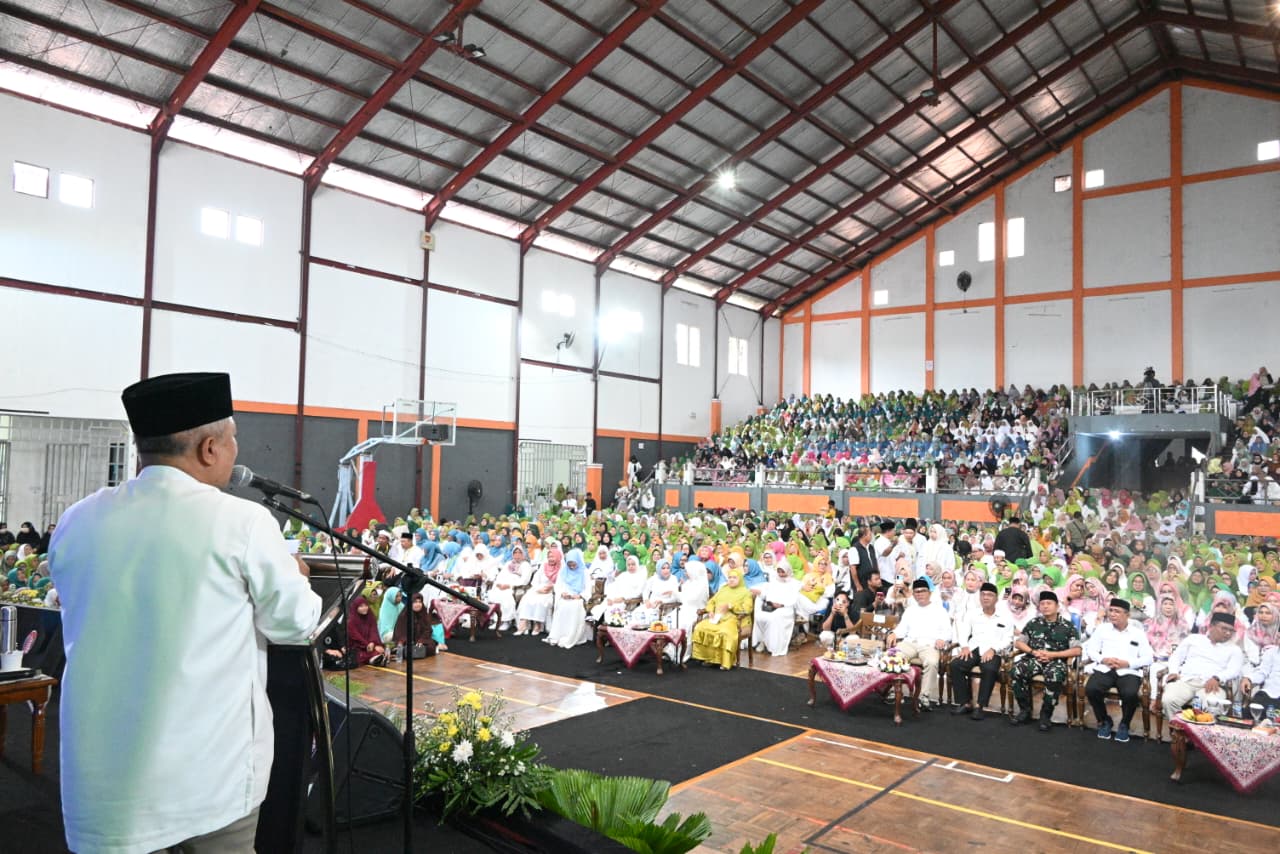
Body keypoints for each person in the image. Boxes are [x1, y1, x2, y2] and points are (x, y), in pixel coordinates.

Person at [48, 371, 321, 853]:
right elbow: (296, 625)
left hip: (105, 786)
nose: (237, 453)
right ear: (210, 449)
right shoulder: (241, 522)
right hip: (207, 785)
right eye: (233, 440)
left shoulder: (77, 520)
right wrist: (295, 575)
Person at [1082, 598, 1153, 743]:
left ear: (1127, 615)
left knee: (1130, 693)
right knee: (1091, 689)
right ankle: (1105, 720)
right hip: (1105, 668)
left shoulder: (1137, 633)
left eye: (1117, 612)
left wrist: (1128, 663)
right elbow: (1091, 650)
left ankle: (1124, 724)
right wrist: (1104, 659)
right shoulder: (1102, 629)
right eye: (1111, 611)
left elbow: (1148, 658)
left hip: (1128, 670)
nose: (1113, 614)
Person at [1009, 590, 1081, 732]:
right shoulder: (1034, 623)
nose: (1045, 606)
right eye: (1042, 604)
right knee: (1016, 670)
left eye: (1049, 603)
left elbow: (1077, 650)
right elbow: (1019, 643)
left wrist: (1053, 655)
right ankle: (1025, 710)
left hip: (1056, 661)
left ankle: (1045, 714)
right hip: (1034, 658)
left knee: (1055, 676)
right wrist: (1033, 651)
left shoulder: (1067, 626)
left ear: (1057, 606)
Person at [1160, 612, 1245, 724]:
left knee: (1213, 705)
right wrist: (1174, 672)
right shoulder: (1194, 639)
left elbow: (1234, 670)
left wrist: (1218, 677)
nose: (1228, 633)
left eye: (1231, 630)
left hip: (1211, 685)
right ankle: (1181, 731)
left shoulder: (1234, 649)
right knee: (1168, 700)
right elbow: (1176, 657)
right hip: (1187, 681)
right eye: (1224, 629)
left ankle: (1201, 737)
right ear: (1211, 626)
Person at [949, 582, 1013, 720]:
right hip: (974, 648)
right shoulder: (972, 613)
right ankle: (965, 702)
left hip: (993, 651)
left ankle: (980, 706)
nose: (986, 597)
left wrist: (994, 649)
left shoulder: (1005, 616)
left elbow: (1008, 638)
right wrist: (964, 646)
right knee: (955, 665)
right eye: (983, 594)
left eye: (990, 595)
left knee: (989, 669)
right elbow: (964, 631)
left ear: (996, 598)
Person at [885, 578, 953, 709]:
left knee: (932, 662)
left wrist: (942, 639)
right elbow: (902, 629)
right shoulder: (911, 609)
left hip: (929, 645)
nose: (920, 594)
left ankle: (924, 696)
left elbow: (948, 632)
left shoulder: (939, 610)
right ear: (913, 594)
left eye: (923, 591)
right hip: (910, 642)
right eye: (917, 592)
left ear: (929, 593)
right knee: (893, 656)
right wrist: (894, 633)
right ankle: (893, 691)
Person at [690, 566, 754, 670]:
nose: (731, 580)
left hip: (735, 619)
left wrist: (730, 606)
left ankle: (724, 662)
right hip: (717, 618)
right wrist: (710, 611)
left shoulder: (746, 592)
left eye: (734, 577)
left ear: (740, 579)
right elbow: (712, 601)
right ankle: (708, 658)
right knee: (700, 627)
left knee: (724, 632)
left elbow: (747, 609)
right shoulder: (723, 589)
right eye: (730, 577)